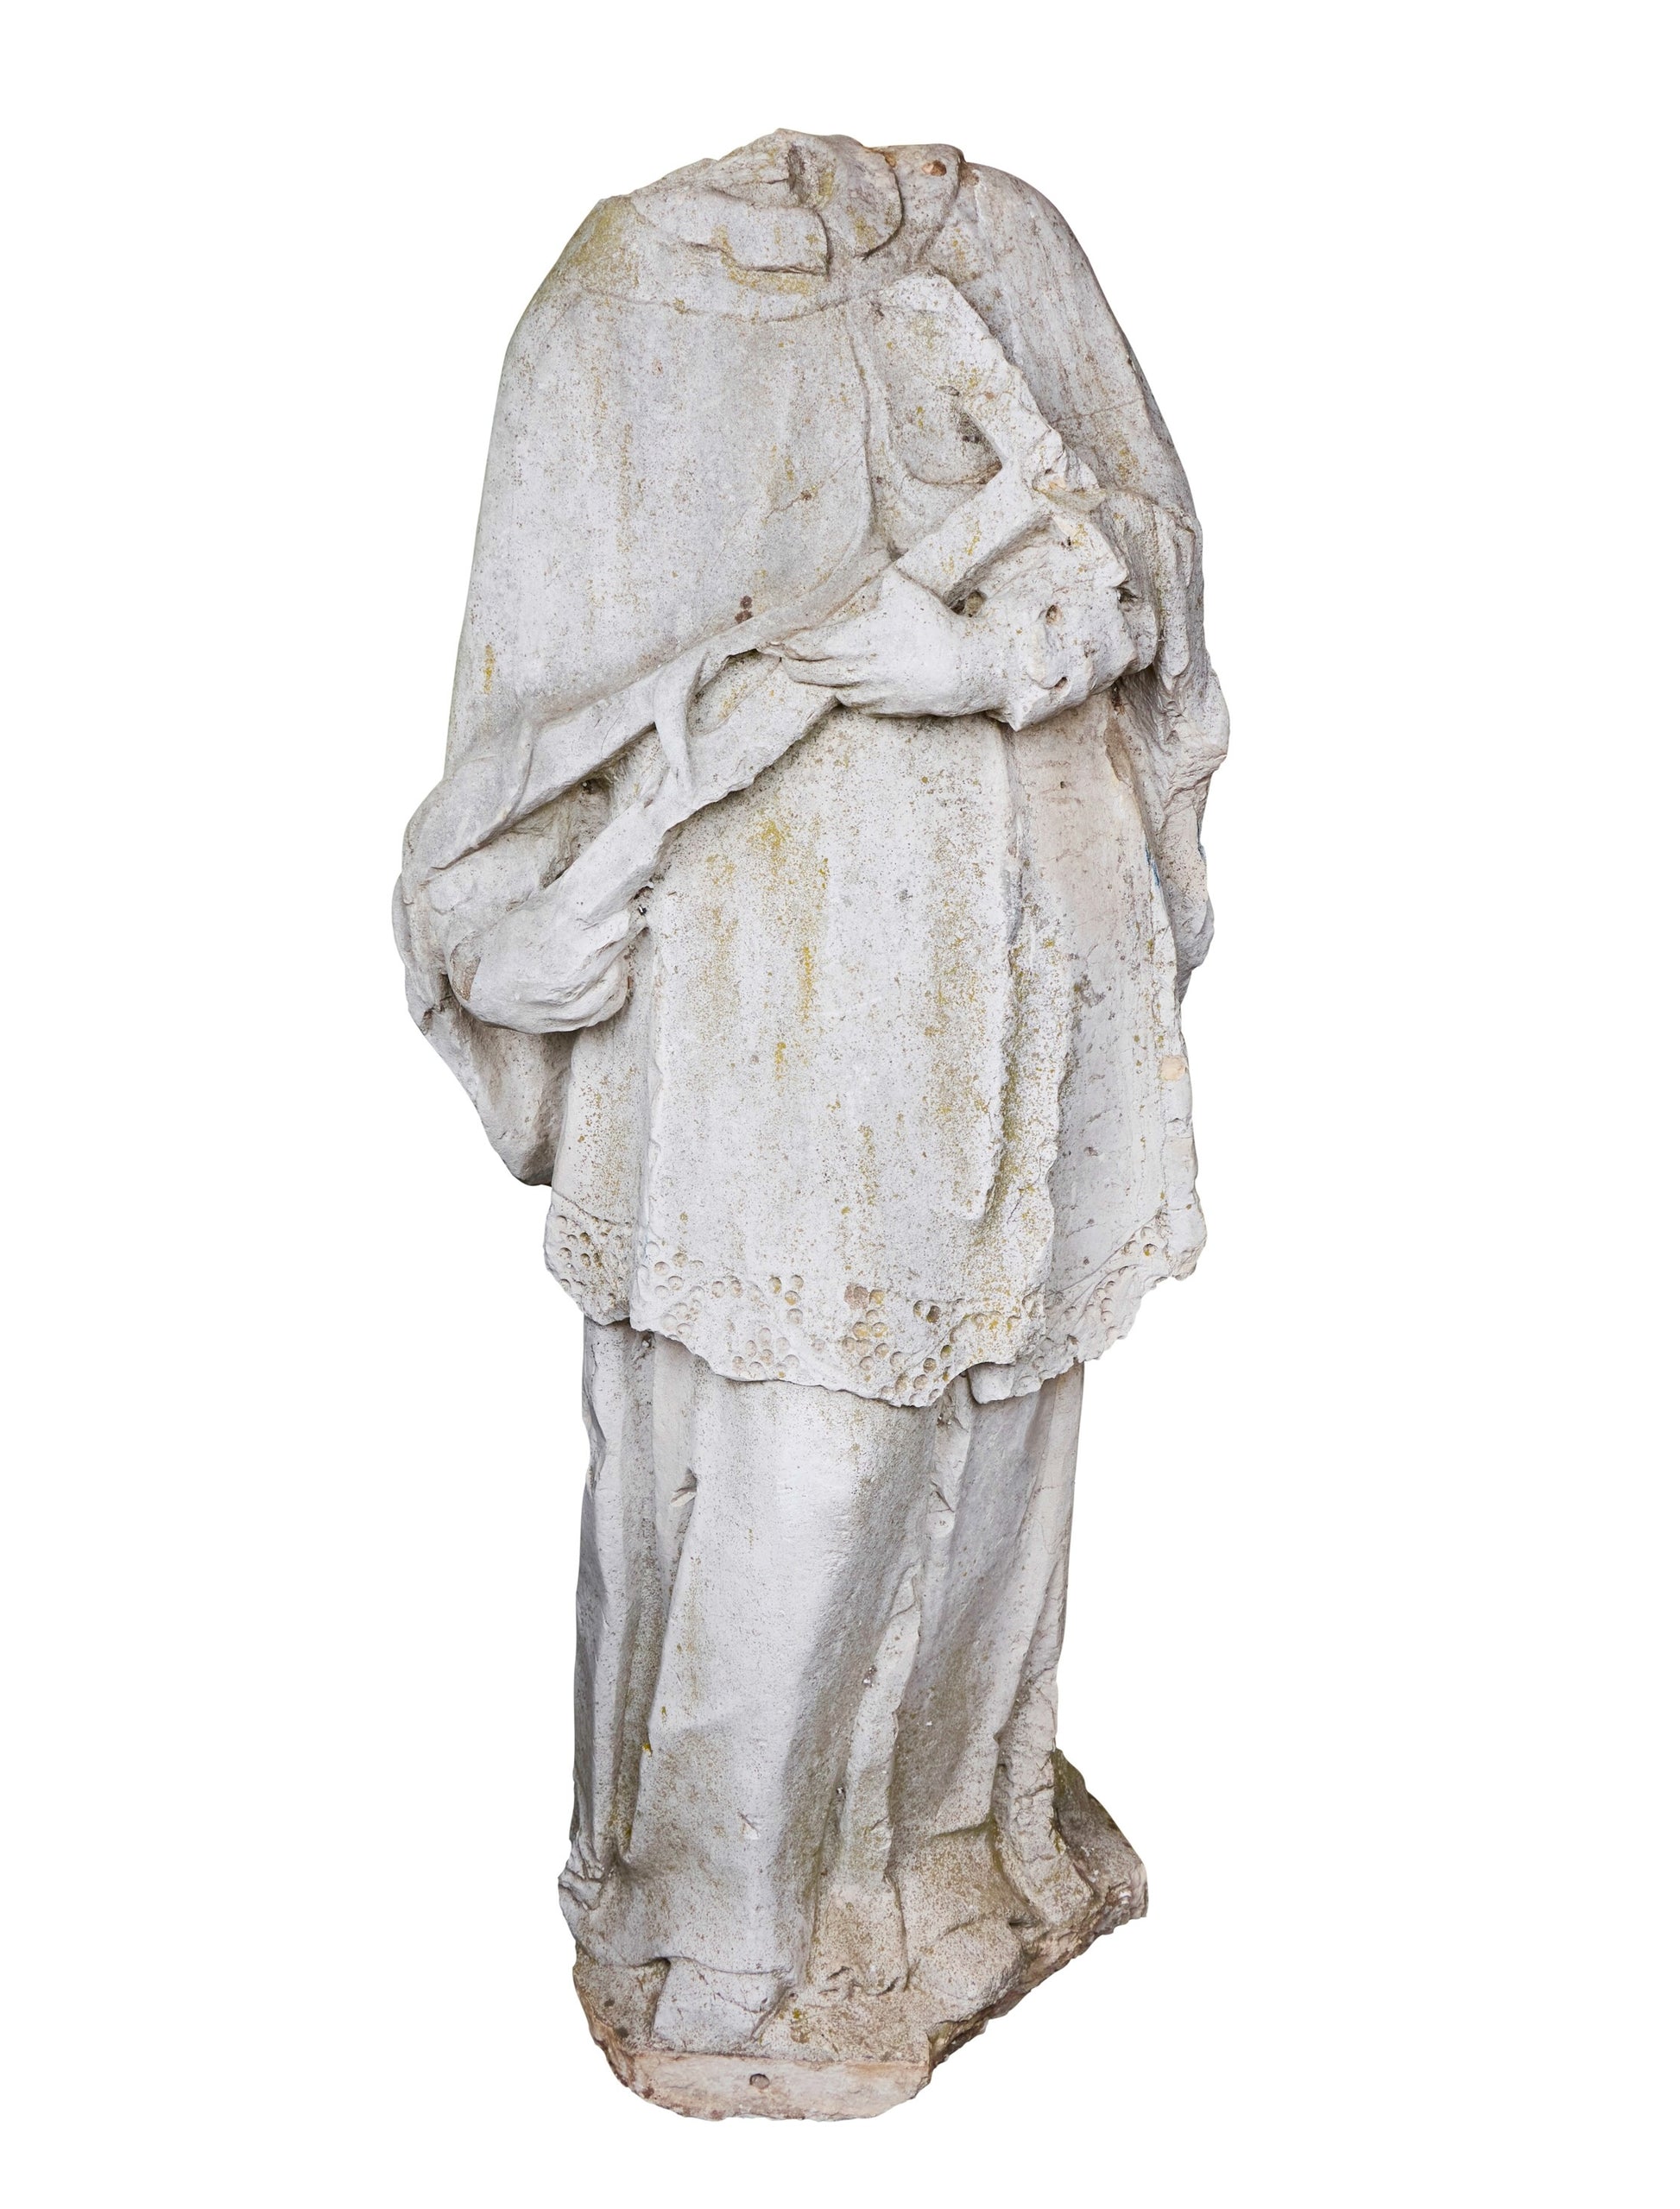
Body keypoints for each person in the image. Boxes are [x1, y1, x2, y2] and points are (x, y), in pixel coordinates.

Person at [396, 130, 1226, 2111]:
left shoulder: (1002, 239)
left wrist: (993, 655)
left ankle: (944, 1864)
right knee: (795, 1456)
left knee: (993, 1431)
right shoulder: (622, 298)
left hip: (1026, 948)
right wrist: (508, 932)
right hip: (774, 999)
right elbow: (532, 697)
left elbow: (1149, 555)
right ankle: (733, 1932)